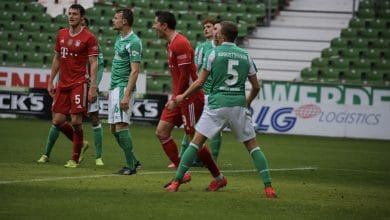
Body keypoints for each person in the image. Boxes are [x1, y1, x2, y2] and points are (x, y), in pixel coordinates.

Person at [164, 21, 277, 198]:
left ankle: (176, 182)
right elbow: (256, 87)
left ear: (222, 36)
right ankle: (269, 187)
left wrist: (182, 96)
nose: (214, 33)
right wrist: (246, 103)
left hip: (217, 104)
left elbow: (199, 82)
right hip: (238, 105)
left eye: (217, 31)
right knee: (253, 147)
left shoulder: (213, 53)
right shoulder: (245, 55)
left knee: (195, 143)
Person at [152, 11, 223, 184]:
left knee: (194, 141)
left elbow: (185, 76)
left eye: (156, 23)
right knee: (161, 131)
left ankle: (219, 177)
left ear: (164, 25)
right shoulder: (171, 44)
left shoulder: (180, 43)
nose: (153, 26)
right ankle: (182, 173)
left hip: (190, 98)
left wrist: (175, 97)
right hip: (180, 98)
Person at [37, 17, 105, 166]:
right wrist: (51, 80)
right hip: (63, 83)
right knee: (58, 120)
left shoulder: (91, 40)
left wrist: (94, 85)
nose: (71, 17)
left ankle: (85, 157)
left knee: (83, 119)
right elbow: (57, 59)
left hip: (82, 83)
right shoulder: (62, 35)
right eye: (70, 13)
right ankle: (77, 144)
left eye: (75, 14)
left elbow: (97, 65)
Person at [109, 8, 142, 175]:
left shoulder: (134, 41)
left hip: (123, 87)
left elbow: (135, 71)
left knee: (121, 126)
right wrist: (111, 88)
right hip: (115, 87)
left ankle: (131, 166)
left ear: (125, 21)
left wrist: (126, 95)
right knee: (114, 129)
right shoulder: (119, 37)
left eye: (116, 18)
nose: (113, 20)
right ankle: (134, 160)